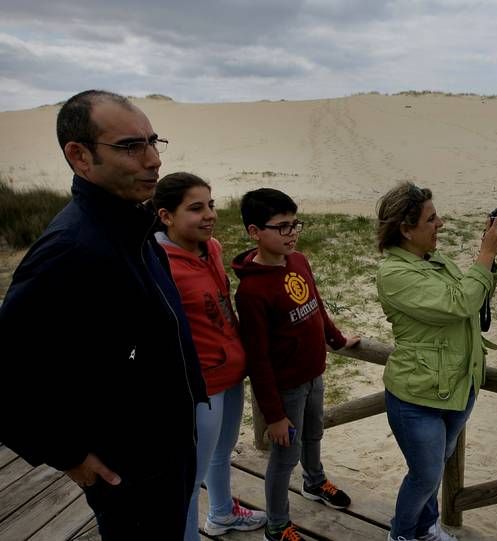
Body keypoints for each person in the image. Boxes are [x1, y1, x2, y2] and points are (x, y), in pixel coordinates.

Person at [0, 90, 207, 538]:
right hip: (129, 471)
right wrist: (66, 452)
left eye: (154, 141)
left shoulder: (134, 228)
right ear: (80, 156)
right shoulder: (71, 249)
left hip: (169, 449)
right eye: (131, 146)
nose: (153, 159)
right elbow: (7, 370)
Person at [375, 182, 497, 541]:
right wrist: (484, 254)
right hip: (418, 395)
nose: (441, 224)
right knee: (425, 475)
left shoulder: (433, 259)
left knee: (432, 470)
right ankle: (401, 535)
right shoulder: (394, 273)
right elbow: (458, 304)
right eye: (431, 219)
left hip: (457, 385)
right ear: (405, 229)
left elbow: (467, 293)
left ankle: (425, 529)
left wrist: (488, 263)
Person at [231, 188, 360, 541]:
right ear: (255, 231)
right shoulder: (252, 292)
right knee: (285, 458)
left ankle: (315, 482)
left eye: (295, 224)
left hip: (314, 375)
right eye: (282, 227)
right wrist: (273, 415)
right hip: (285, 389)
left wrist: (336, 340)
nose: (291, 234)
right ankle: (276, 525)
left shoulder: (299, 261)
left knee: (314, 434)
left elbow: (315, 305)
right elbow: (257, 359)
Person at [152, 172, 268, 539]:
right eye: (196, 208)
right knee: (190, 475)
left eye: (211, 205)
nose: (209, 215)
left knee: (223, 452)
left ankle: (221, 514)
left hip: (232, 374)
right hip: (200, 385)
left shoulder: (212, 248)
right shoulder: (158, 264)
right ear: (166, 216)